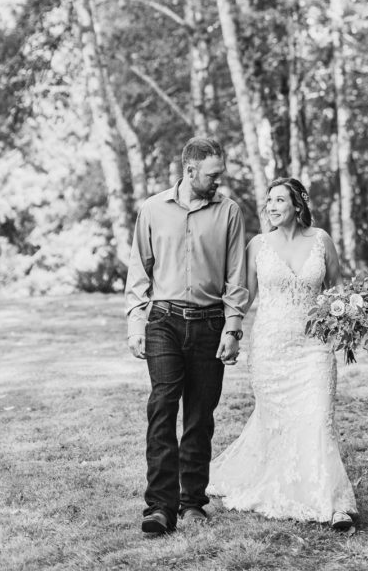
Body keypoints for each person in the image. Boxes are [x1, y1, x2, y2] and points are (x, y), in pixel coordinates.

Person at [208, 176, 357, 531]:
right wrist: (230, 332)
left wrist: (352, 315)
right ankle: (281, 484)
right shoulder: (258, 245)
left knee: (318, 418)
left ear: (297, 205)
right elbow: (244, 296)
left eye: (279, 200)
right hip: (271, 348)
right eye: (269, 200)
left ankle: (333, 503)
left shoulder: (321, 240)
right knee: (276, 422)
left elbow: (337, 289)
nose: (272, 207)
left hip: (314, 347)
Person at [125, 137, 249, 537]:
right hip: (164, 320)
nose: (218, 181)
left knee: (199, 415)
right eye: (212, 175)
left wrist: (232, 327)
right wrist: (136, 323)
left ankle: (192, 502)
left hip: (210, 323)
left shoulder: (229, 212)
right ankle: (160, 507)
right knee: (162, 407)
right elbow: (139, 271)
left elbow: (236, 276)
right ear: (190, 170)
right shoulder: (152, 209)